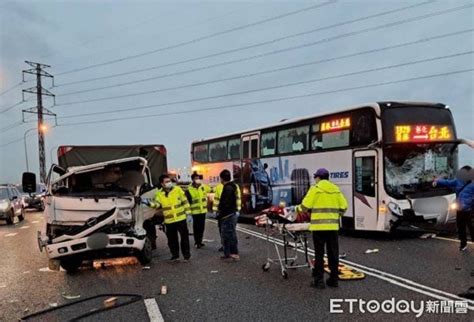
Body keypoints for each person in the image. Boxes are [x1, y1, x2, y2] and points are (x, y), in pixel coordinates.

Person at [296, 168, 347, 289]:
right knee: (333, 253)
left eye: (315, 177)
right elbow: (344, 207)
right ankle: (334, 280)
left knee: (319, 254)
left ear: (318, 177)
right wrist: (336, 215)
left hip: (319, 228)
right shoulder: (335, 189)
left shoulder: (315, 189)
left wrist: (296, 210)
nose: (315, 180)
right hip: (333, 228)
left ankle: (319, 281)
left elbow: (305, 206)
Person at [150, 174, 191, 261]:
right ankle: (175, 255)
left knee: (184, 238)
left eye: (169, 181)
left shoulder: (177, 189)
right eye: (167, 182)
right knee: (172, 240)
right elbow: (157, 205)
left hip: (181, 219)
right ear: (162, 184)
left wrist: (188, 213)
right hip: (169, 221)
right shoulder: (159, 194)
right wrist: (148, 203)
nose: (169, 183)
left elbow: (185, 201)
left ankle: (186, 255)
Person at [433, 165, 474, 251]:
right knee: (463, 226)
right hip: (462, 209)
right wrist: (437, 181)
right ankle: (463, 244)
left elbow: (448, 182)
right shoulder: (459, 181)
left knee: (467, 226)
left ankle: (465, 244)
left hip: (467, 209)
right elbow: (447, 182)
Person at [215, 169, 241, 261]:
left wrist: (220, 212)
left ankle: (233, 253)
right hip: (230, 214)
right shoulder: (232, 186)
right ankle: (227, 253)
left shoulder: (228, 188)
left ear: (222, 178)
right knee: (226, 235)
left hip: (228, 215)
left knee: (229, 234)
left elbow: (226, 203)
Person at [186, 172, 211, 248]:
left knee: (202, 227)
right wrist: (188, 212)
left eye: (198, 178)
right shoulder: (189, 189)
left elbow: (211, 190)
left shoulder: (203, 187)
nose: (198, 180)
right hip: (195, 212)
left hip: (203, 211)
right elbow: (187, 201)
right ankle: (197, 242)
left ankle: (200, 241)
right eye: (196, 178)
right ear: (193, 179)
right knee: (196, 227)